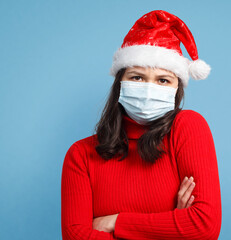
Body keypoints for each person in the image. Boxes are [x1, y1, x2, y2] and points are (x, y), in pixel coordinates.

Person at [61, 10, 222, 239]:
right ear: (120, 83)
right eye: (137, 77)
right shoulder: (81, 155)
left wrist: (115, 222)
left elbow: (204, 226)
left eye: (163, 80)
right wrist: (173, 228)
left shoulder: (188, 128)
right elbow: (75, 236)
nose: (149, 88)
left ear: (177, 89)